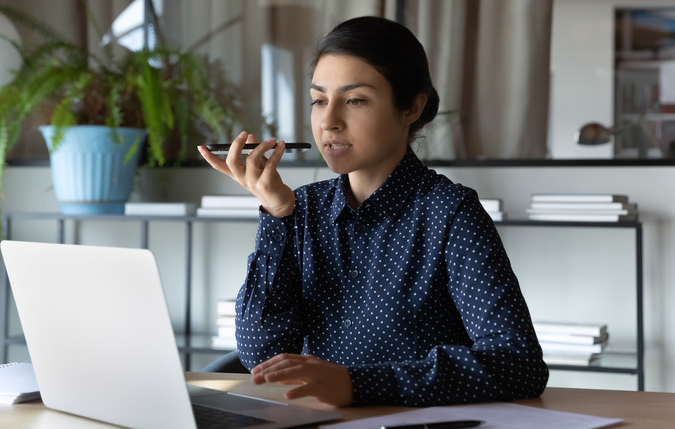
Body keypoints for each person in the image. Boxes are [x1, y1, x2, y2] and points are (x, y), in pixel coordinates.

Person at [198, 16, 548, 407]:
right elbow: (260, 354)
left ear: (412, 107)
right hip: (315, 427)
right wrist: (277, 215)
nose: (328, 121)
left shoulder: (450, 212)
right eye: (318, 100)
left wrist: (357, 384)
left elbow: (518, 363)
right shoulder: (302, 208)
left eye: (355, 100)